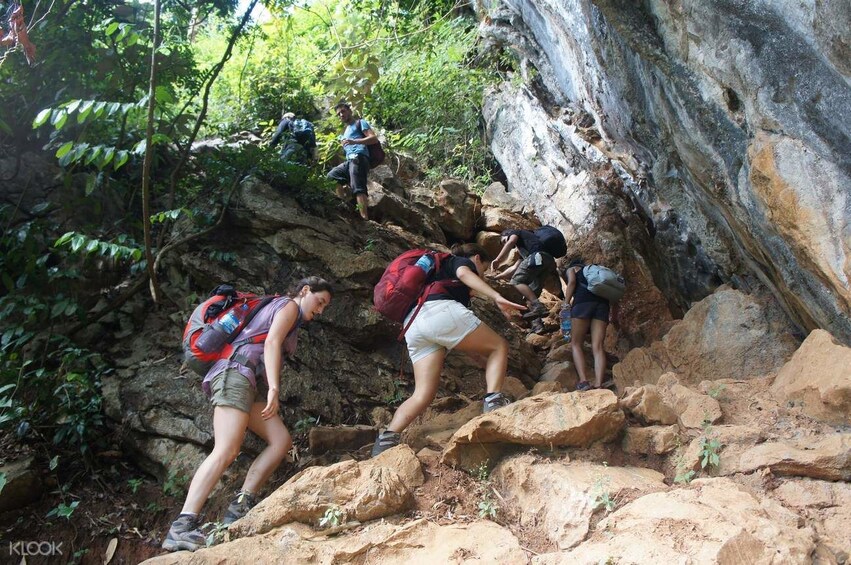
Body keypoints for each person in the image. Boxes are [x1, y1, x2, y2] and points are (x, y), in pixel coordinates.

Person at [162, 277, 333, 552]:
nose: (321, 310)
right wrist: (275, 389)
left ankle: (240, 506)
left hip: (247, 380)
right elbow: (272, 343)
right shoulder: (288, 306)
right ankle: (182, 525)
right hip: (235, 374)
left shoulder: (281, 309)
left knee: (280, 441)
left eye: (325, 306)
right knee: (226, 450)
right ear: (304, 291)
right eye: (320, 301)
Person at [371, 244, 526, 457]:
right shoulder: (458, 262)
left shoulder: (433, 276)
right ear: (478, 259)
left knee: (422, 393)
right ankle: (494, 402)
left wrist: (487, 362)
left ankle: (386, 441)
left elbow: (466, 344)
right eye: (484, 267)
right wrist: (495, 296)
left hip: (413, 325)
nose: (483, 273)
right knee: (499, 346)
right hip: (438, 310)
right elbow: (464, 273)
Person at [490, 228, 559, 332]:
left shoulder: (516, 232)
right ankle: (538, 326)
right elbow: (514, 268)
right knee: (530, 296)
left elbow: (511, 241)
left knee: (516, 282)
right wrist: (497, 277)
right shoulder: (527, 246)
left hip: (537, 257)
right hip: (546, 262)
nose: (506, 244)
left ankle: (539, 306)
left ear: (508, 234)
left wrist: (498, 259)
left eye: (504, 240)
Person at [561, 259, 615, 391]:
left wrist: (566, 303)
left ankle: (584, 381)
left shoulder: (572, 269)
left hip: (582, 304)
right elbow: (612, 291)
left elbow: (572, 282)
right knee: (597, 346)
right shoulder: (598, 273)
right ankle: (598, 383)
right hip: (602, 306)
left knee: (576, 343)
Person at [326, 102, 377, 220]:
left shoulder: (360, 123)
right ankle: (345, 207)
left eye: (343, 111)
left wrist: (355, 142)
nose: (341, 115)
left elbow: (373, 138)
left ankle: (364, 217)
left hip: (359, 157)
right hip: (350, 160)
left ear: (350, 111)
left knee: (358, 186)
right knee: (332, 176)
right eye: (338, 114)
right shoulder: (346, 130)